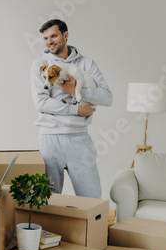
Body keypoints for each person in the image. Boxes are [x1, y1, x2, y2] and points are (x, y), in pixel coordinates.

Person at [30, 19, 113, 198]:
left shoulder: (87, 64)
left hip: (79, 139)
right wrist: (76, 110)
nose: (49, 41)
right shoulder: (40, 65)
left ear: (65, 35)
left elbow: (107, 97)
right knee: (47, 201)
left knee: (91, 199)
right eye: (45, 38)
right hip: (49, 139)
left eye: (53, 36)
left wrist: (76, 89)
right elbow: (41, 103)